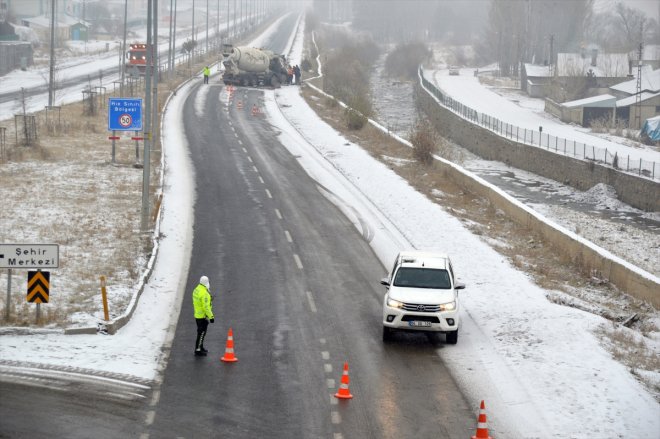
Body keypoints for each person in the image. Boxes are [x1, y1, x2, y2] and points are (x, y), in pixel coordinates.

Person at [192, 275, 214, 356]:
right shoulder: (204, 293)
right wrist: (211, 317)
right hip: (202, 316)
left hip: (197, 315)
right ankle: (198, 350)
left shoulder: (196, 290)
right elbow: (206, 307)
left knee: (201, 333)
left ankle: (200, 347)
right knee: (201, 333)